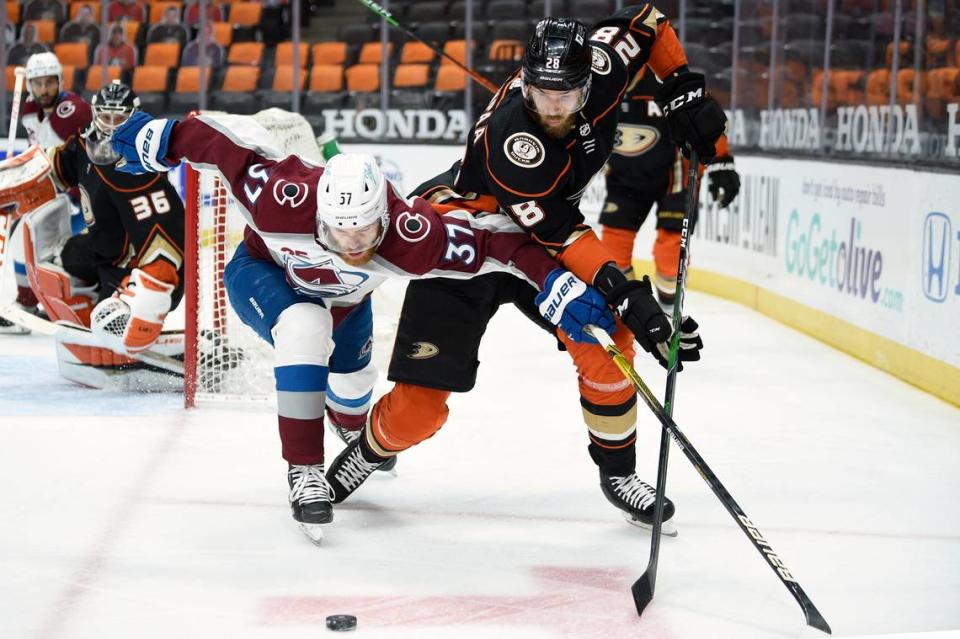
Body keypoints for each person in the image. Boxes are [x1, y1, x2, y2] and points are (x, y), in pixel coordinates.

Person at [110, 110, 614, 544]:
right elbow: (219, 143)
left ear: (385, 217)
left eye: (365, 230)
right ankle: (304, 470)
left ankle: (349, 425)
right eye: (338, 229)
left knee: (354, 393)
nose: (352, 243)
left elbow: (496, 244)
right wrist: (157, 137)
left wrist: (553, 281)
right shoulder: (281, 197)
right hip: (260, 275)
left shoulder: (413, 235)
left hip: (347, 306)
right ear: (319, 212)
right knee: (305, 325)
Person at [321, 10, 723, 534]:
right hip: (464, 239)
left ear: (589, 82)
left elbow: (649, 23)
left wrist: (681, 87)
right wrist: (626, 290)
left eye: (566, 96)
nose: (552, 109)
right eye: (540, 94)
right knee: (418, 413)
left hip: (537, 239)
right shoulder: (516, 145)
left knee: (607, 342)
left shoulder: (603, 66)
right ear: (525, 83)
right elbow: (560, 233)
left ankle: (618, 473)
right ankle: (371, 448)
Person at [599, 64, 740, 310]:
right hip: (623, 180)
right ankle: (634, 314)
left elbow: (703, 117)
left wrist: (722, 161)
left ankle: (667, 315)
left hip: (674, 180)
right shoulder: (596, 84)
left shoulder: (666, 77)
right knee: (612, 254)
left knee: (670, 257)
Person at [0, 51, 92, 334]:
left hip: (77, 195)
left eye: (49, 82)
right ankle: (35, 305)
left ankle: (68, 308)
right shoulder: (30, 109)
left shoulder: (72, 109)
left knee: (50, 252)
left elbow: (53, 153)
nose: (43, 89)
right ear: (29, 85)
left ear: (60, 81)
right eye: (37, 83)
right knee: (28, 248)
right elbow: (37, 153)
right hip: (48, 189)